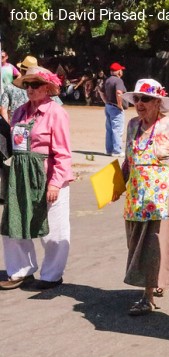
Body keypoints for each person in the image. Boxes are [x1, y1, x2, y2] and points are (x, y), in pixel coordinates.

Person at [0, 66, 73, 290]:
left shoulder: (56, 113)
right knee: (14, 223)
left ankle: (52, 275)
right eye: (28, 85)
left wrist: (55, 182)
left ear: (48, 88)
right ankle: (20, 270)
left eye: (36, 85)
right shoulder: (21, 111)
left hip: (46, 173)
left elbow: (63, 152)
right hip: (20, 174)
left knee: (54, 228)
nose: (30, 89)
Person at [113, 79, 169, 315]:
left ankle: (148, 296)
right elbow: (128, 160)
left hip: (160, 195)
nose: (140, 104)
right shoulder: (132, 125)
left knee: (154, 244)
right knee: (135, 242)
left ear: (158, 102)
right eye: (137, 99)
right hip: (135, 194)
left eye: (146, 99)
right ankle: (153, 282)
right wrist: (116, 186)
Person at [104, 62, 127, 157]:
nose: (122, 72)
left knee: (109, 129)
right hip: (115, 107)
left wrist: (105, 101)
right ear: (118, 71)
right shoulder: (118, 81)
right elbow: (118, 93)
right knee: (117, 129)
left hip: (108, 106)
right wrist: (120, 105)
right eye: (121, 70)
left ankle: (109, 150)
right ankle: (117, 151)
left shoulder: (108, 80)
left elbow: (100, 91)